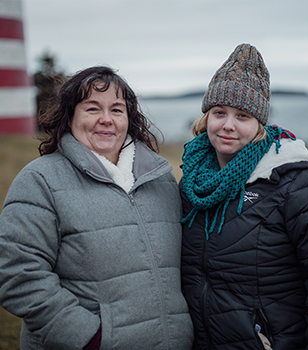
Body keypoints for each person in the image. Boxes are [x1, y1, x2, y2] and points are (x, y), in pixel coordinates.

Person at [0, 66, 193, 350]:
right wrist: (87, 338)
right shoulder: (40, 180)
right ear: (71, 116)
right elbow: (17, 273)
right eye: (92, 109)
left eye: (117, 110)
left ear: (129, 118)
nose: (106, 120)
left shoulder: (160, 178)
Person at [180, 43, 308, 349]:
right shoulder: (193, 182)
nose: (228, 125)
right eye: (220, 112)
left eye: (242, 115)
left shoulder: (299, 183)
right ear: (207, 117)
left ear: (260, 123)